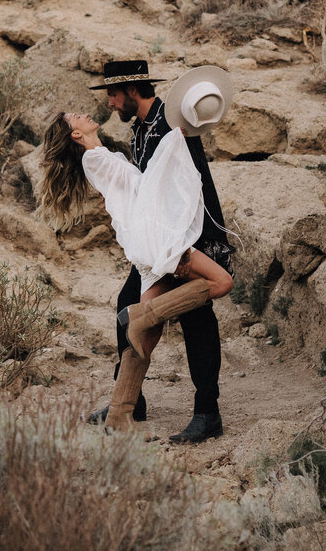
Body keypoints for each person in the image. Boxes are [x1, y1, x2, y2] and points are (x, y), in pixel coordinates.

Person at [58, 60, 235, 443]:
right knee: (128, 307)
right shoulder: (141, 128)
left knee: (197, 323)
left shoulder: (169, 124)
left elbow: (184, 186)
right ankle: (129, 403)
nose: (109, 103)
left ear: (131, 91)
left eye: (113, 94)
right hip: (158, 237)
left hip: (188, 234)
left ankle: (208, 412)